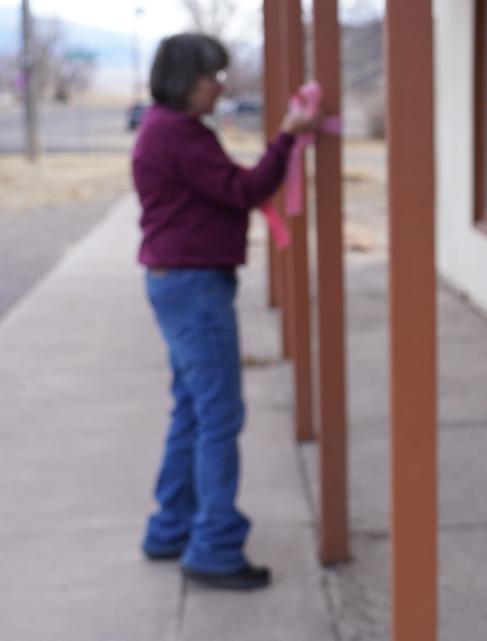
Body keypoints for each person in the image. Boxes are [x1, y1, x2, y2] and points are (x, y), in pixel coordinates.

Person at [131, 33, 318, 591]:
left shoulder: (168, 129)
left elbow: (228, 190)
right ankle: (213, 544)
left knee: (193, 410)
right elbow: (242, 189)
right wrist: (288, 136)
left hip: (177, 282)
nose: (218, 86)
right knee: (217, 415)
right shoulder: (178, 134)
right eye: (210, 76)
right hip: (193, 288)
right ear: (182, 80)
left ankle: (171, 527)